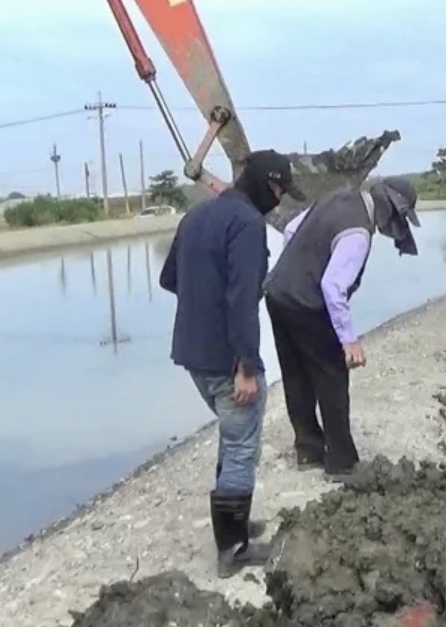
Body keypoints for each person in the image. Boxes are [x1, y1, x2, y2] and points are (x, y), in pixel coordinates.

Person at [158, 149, 306, 578]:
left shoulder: (196, 216)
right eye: (278, 189)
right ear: (264, 183)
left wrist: (203, 300)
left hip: (191, 353)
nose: (278, 198)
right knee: (243, 445)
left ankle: (233, 526)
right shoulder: (246, 224)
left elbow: (169, 279)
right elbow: (243, 298)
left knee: (233, 436)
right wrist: (245, 364)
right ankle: (233, 549)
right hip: (228, 358)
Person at [263, 177, 420, 478]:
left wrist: (298, 269)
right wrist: (349, 341)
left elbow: (292, 231)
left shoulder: (337, 198)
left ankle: (308, 450)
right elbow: (333, 286)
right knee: (332, 375)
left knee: (295, 373)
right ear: (389, 209)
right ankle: (342, 462)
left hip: (277, 292)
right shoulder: (359, 232)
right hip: (307, 302)